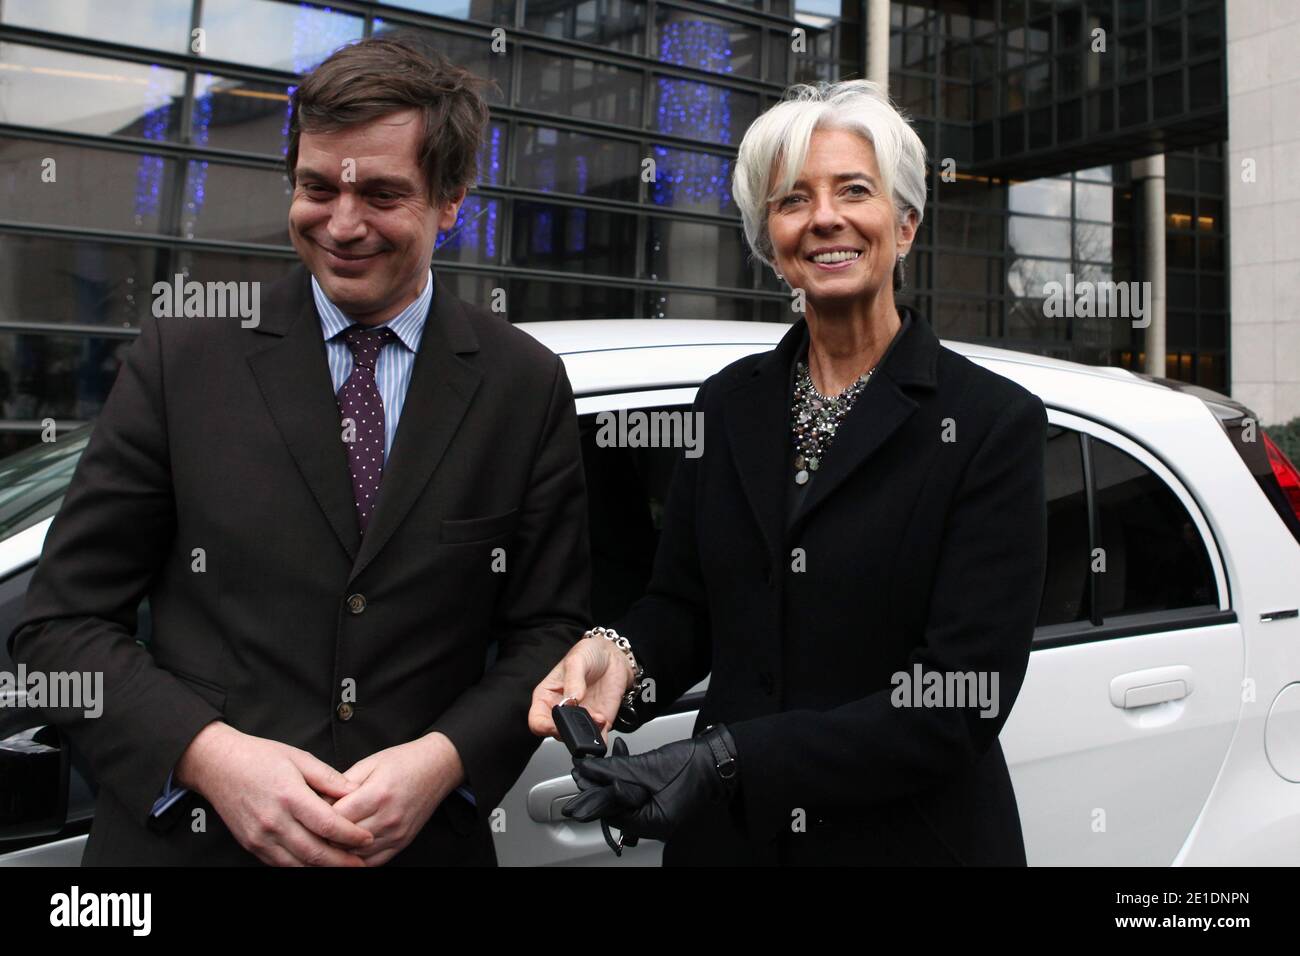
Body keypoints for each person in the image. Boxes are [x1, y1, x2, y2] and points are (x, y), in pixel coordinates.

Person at [9, 35, 590, 866]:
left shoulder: (523, 383)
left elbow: (547, 630)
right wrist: (211, 757)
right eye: (317, 188)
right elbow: (59, 626)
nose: (342, 226)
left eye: (384, 195)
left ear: (452, 200)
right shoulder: (185, 356)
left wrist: (444, 760)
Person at [530, 79, 1047, 866]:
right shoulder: (727, 403)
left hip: (909, 844)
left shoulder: (989, 424)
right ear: (772, 242)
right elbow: (686, 604)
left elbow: (956, 700)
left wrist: (731, 760)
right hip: (730, 847)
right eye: (793, 200)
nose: (825, 217)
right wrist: (621, 657)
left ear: (904, 224)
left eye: (854, 191)